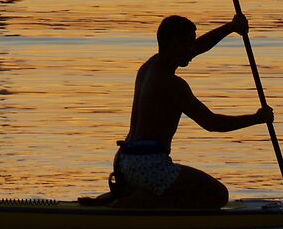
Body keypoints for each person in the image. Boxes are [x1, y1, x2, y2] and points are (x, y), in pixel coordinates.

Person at [112, 13, 274, 211]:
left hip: (124, 161)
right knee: (217, 195)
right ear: (174, 43)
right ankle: (143, 201)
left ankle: (137, 193)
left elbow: (199, 47)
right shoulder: (173, 85)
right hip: (148, 165)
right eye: (188, 43)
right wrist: (257, 118)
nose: (193, 49)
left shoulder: (149, 67)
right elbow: (212, 123)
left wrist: (231, 27)